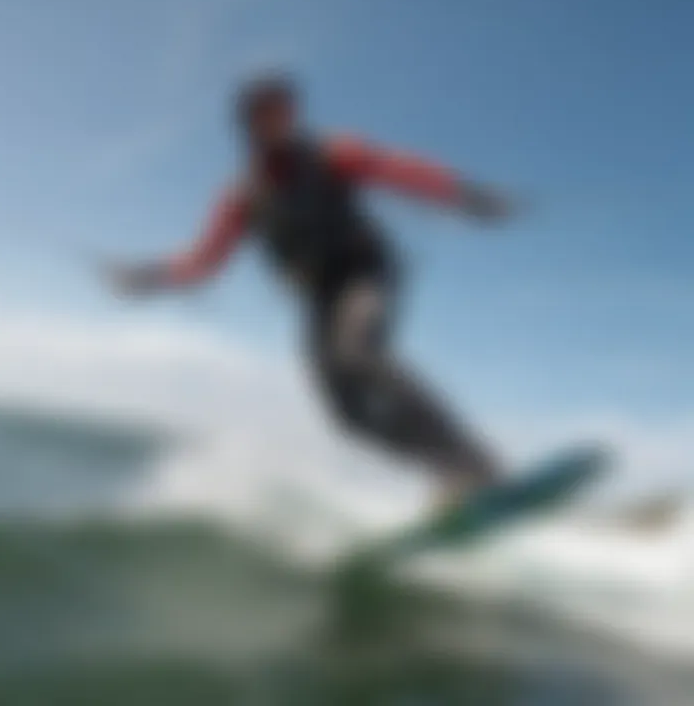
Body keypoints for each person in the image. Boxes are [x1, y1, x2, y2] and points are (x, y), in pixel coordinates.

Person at [107, 73, 515, 504]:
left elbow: (400, 171)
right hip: (319, 299)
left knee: (358, 354)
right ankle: (445, 468)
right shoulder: (242, 196)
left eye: (285, 110)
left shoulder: (332, 153)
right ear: (248, 123)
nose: (280, 120)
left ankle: (474, 462)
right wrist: (148, 277)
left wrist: (466, 195)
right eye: (267, 113)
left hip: (364, 273)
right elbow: (204, 260)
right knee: (348, 417)